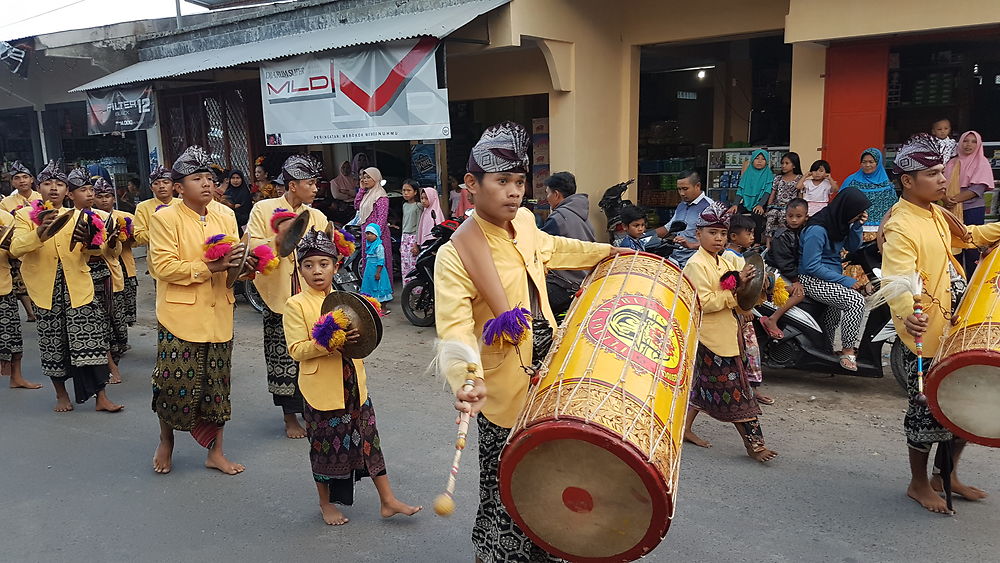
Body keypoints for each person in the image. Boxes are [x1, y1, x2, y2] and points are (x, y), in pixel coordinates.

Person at [434, 121, 626, 563]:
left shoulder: (523, 221)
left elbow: (552, 248)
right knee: (506, 487)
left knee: (552, 479)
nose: (514, 192)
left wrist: (607, 254)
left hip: (550, 373)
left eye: (519, 182)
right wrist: (467, 376)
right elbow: (455, 326)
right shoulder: (455, 253)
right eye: (502, 181)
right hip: (502, 387)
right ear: (471, 184)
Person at [881, 132, 996, 514]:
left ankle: (945, 476)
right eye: (932, 174)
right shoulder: (900, 224)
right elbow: (897, 278)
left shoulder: (938, 213)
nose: (943, 179)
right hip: (926, 330)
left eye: (941, 171)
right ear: (908, 181)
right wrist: (905, 315)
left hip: (955, 324)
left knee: (959, 406)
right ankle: (918, 483)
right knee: (925, 412)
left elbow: (969, 238)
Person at [283, 227, 421, 526]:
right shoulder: (296, 305)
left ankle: (388, 500)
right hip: (321, 390)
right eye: (309, 265)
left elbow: (363, 339)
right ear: (300, 269)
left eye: (323, 264)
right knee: (323, 451)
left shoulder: (345, 298)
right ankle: (325, 504)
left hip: (353, 385)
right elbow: (296, 349)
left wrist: (355, 337)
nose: (317, 271)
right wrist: (330, 340)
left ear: (336, 265)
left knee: (370, 443)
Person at [149, 146, 252, 475]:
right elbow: (163, 267)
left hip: (220, 311)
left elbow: (232, 264)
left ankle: (215, 452)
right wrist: (212, 266)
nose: (207, 184)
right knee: (172, 385)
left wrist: (246, 267)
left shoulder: (224, 214)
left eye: (210, 178)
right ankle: (166, 441)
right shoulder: (165, 217)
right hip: (180, 317)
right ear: (179, 187)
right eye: (197, 179)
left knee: (218, 387)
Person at [11, 160, 123, 413]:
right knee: (54, 344)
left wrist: (102, 243)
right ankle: (62, 395)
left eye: (60, 184)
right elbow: (16, 248)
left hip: (79, 286)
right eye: (48, 183)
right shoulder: (24, 215)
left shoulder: (82, 216)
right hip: (45, 290)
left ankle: (101, 397)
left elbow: (99, 251)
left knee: (91, 340)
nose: (54, 188)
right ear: (39, 187)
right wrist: (41, 231)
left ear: (66, 190)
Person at [681, 201, 776, 462]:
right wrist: (735, 295)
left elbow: (734, 290)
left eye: (722, 233)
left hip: (727, 335)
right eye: (712, 233)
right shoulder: (695, 265)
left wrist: (745, 284)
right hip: (710, 339)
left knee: (702, 388)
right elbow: (703, 302)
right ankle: (755, 445)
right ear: (698, 234)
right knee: (738, 393)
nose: (719, 238)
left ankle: (685, 429)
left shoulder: (722, 263)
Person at [246, 155, 329, 439]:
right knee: (282, 357)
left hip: (310, 296)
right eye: (310, 183)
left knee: (313, 353)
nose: (316, 188)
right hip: (279, 296)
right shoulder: (263, 209)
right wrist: (280, 240)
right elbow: (254, 247)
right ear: (293, 185)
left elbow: (325, 251)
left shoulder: (316, 215)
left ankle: (313, 408)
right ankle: (289, 417)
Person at [798, 187, 870, 371]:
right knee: (855, 301)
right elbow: (811, 266)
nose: (859, 215)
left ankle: (826, 351)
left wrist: (857, 226)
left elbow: (852, 247)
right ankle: (847, 351)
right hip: (810, 279)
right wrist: (844, 281)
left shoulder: (839, 223)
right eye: (857, 213)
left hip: (830, 277)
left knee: (833, 315)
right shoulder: (817, 230)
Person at [540, 171, 597, 317]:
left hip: (564, 287)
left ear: (557, 195)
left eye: (548, 194)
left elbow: (540, 249)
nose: (547, 198)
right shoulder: (582, 215)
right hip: (583, 282)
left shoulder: (558, 218)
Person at [92, 177, 131, 385]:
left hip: (112, 276)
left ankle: (112, 361)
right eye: (98, 195)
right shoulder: (71, 218)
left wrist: (115, 240)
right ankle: (108, 367)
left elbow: (114, 252)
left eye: (107, 196)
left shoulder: (112, 218)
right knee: (100, 326)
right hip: (87, 280)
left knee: (119, 328)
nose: (101, 199)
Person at [0, 206, 40, 390]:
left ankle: (16, 377)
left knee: (13, 335)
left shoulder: (6, 217)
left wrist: (7, 242)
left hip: (3, 285)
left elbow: (15, 252)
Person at [944, 130, 994, 276]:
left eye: (973, 142)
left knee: (972, 246)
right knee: (953, 245)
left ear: (978, 145)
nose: (969, 145)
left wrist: (953, 200)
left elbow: (978, 188)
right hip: (950, 210)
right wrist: (946, 200)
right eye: (965, 141)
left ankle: (973, 282)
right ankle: (957, 282)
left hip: (972, 209)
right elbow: (941, 184)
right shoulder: (951, 162)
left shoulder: (981, 162)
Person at [760, 198, 808, 340]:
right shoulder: (782, 235)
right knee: (799, 294)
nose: (793, 220)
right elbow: (784, 262)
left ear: (806, 216)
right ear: (785, 215)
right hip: (774, 270)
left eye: (798, 216)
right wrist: (795, 280)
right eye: (790, 216)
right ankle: (772, 319)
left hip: (786, 269)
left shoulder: (802, 231)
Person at [0, 161, 40, 322]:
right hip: (16, 244)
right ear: (12, 182)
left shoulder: (41, 198)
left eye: (25, 177)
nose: (22, 181)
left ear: (31, 180)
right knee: (19, 281)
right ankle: (30, 312)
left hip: (39, 242)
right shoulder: (6, 202)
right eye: (17, 178)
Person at [657, 170, 712, 268]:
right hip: (675, 261)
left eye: (685, 189)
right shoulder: (681, 206)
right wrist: (644, 236)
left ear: (697, 186)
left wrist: (691, 245)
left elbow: (714, 241)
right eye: (679, 189)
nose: (682, 193)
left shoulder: (709, 207)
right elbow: (668, 228)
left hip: (696, 263)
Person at [841, 148, 896, 233]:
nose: (867, 165)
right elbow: (841, 202)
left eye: (871, 162)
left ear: (878, 163)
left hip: (880, 231)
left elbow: (892, 208)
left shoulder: (887, 185)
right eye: (864, 162)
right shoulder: (851, 181)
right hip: (854, 230)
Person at [353, 167, 393, 283]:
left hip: (378, 236)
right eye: (364, 177)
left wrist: (375, 235)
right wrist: (361, 190)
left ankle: (383, 290)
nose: (365, 180)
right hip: (367, 234)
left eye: (368, 177)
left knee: (380, 261)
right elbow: (356, 205)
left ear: (375, 178)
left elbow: (382, 217)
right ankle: (371, 288)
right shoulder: (367, 194)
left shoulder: (381, 196)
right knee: (369, 261)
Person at [728, 149, 773, 243]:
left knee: (756, 216)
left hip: (760, 203)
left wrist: (760, 205)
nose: (759, 161)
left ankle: (756, 243)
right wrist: (735, 204)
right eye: (757, 158)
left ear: (767, 161)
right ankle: (735, 240)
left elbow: (767, 192)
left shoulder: (768, 174)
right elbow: (741, 190)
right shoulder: (748, 173)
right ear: (752, 160)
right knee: (734, 214)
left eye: (763, 159)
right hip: (746, 203)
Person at [134, 166, 178, 249]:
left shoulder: (183, 204)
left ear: (173, 186)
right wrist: (160, 232)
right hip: (157, 256)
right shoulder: (143, 207)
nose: (161, 186)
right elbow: (138, 236)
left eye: (166, 182)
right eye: (156, 183)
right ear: (151, 188)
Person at [764, 152, 803, 241]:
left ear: (794, 165)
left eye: (787, 163)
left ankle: (784, 241)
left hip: (790, 207)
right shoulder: (778, 178)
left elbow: (800, 195)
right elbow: (773, 193)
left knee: (783, 216)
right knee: (771, 216)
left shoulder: (799, 179)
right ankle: (768, 246)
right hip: (777, 206)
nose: (783, 166)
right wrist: (768, 208)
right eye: (782, 163)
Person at [360, 224, 392, 313]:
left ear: (376, 234)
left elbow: (381, 260)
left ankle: (383, 308)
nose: (368, 236)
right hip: (369, 271)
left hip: (377, 270)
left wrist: (378, 272)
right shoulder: (369, 246)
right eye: (367, 233)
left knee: (379, 287)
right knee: (369, 286)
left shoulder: (379, 247)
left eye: (371, 233)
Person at [399, 180, 421, 283]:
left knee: (413, 264)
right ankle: (407, 289)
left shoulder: (418, 206)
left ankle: (416, 290)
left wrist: (416, 244)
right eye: (404, 190)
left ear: (415, 192)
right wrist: (401, 242)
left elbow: (419, 225)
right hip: (404, 237)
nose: (406, 193)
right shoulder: (404, 205)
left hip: (413, 238)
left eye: (409, 190)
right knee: (405, 265)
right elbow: (404, 222)